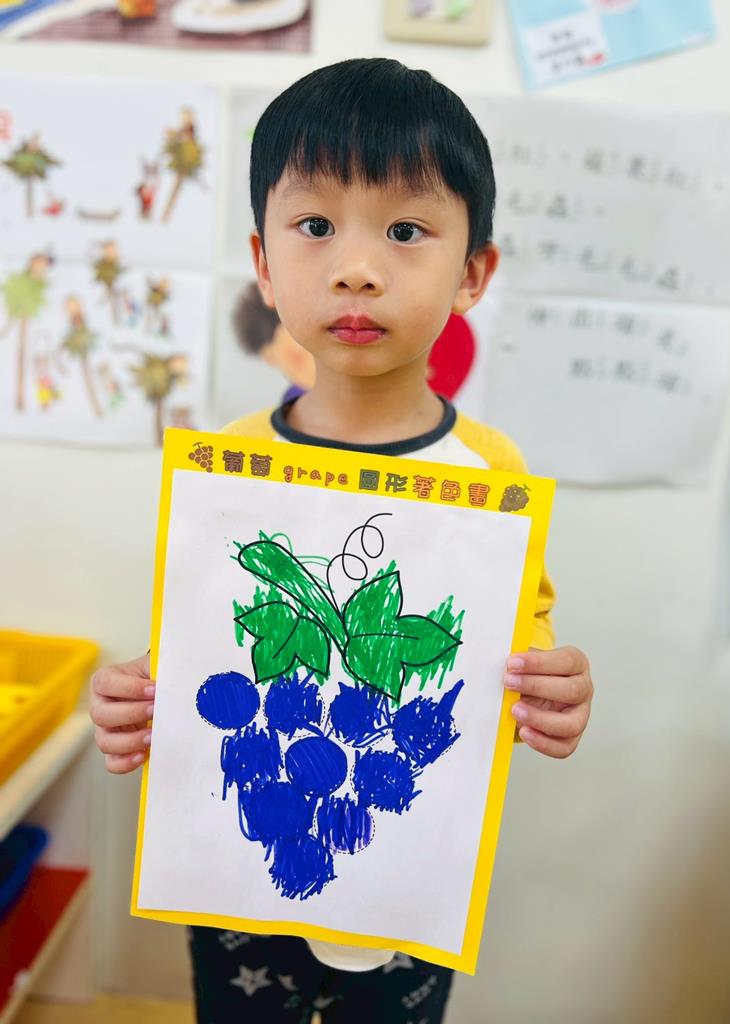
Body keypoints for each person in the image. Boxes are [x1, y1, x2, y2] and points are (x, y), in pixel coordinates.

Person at [90, 57, 594, 1023]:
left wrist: (551, 690)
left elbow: (515, 640)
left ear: (472, 274)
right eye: (315, 225)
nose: (356, 267)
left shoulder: (490, 474)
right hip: (240, 859)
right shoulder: (229, 465)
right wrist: (142, 695)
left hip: (402, 866)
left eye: (405, 231)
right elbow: (209, 640)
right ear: (263, 262)